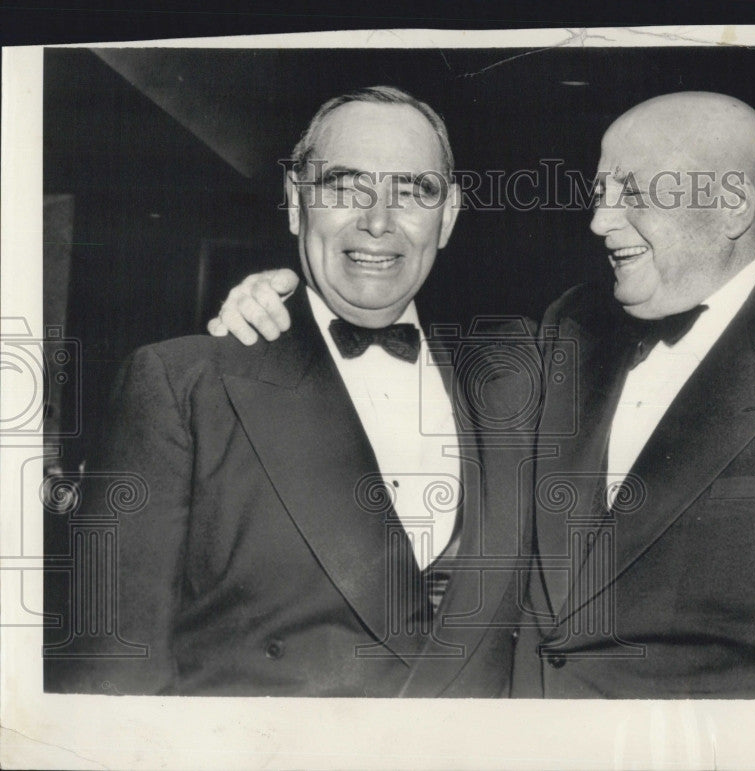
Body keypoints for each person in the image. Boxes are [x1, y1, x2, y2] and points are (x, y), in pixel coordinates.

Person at [209, 91, 755, 699]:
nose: (600, 220)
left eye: (632, 194)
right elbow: (396, 355)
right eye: (602, 191)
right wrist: (281, 301)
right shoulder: (566, 330)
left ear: (734, 203)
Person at [45, 87, 532, 697]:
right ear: (298, 206)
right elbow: (110, 673)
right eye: (345, 187)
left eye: (413, 191)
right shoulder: (182, 385)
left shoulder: (517, 379)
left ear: (449, 214)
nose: (378, 221)